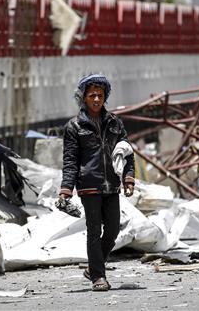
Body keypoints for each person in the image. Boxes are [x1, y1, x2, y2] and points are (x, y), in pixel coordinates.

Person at [59, 73, 135, 292]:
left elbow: (127, 152)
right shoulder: (74, 127)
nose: (96, 99)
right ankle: (98, 277)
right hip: (89, 186)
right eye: (91, 95)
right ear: (84, 98)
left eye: (100, 95)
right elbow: (70, 160)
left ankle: (93, 267)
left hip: (111, 185)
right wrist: (66, 189)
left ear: (105, 97)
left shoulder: (115, 123)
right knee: (94, 231)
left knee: (112, 230)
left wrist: (128, 179)